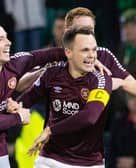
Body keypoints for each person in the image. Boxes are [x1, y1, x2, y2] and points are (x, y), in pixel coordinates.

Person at [7, 26, 120, 168]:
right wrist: (15, 107)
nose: (92, 55)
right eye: (85, 50)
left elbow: (89, 117)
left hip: (87, 163)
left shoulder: (101, 80)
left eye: (94, 50)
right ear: (68, 52)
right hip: (50, 158)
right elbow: (27, 99)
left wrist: (50, 130)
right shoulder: (52, 73)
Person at [0, 19, 68, 168]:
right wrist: (19, 116)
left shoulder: (13, 63)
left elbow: (50, 54)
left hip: (0, 154)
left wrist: (90, 56)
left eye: (7, 37)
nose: (8, 42)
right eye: (0, 39)